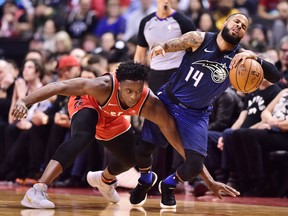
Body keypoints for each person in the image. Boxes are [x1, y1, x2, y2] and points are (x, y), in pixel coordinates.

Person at [12, 61, 239, 209]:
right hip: (88, 105)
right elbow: (58, 86)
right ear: (119, 85)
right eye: (128, 91)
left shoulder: (151, 104)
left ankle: (104, 180)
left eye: (137, 91)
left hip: (112, 116)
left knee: (133, 159)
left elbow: (179, 144)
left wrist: (209, 180)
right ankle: (38, 190)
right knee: (83, 136)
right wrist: (24, 100)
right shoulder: (100, 85)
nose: (132, 97)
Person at [129, 13, 280, 209]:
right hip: (168, 101)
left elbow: (275, 76)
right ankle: (146, 179)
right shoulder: (199, 39)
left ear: (244, 34)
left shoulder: (240, 57)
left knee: (193, 166)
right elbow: (175, 43)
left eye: (243, 26)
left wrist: (254, 57)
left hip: (196, 115)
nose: (239, 26)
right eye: (236, 21)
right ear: (225, 22)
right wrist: (162, 47)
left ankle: (168, 184)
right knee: (143, 151)